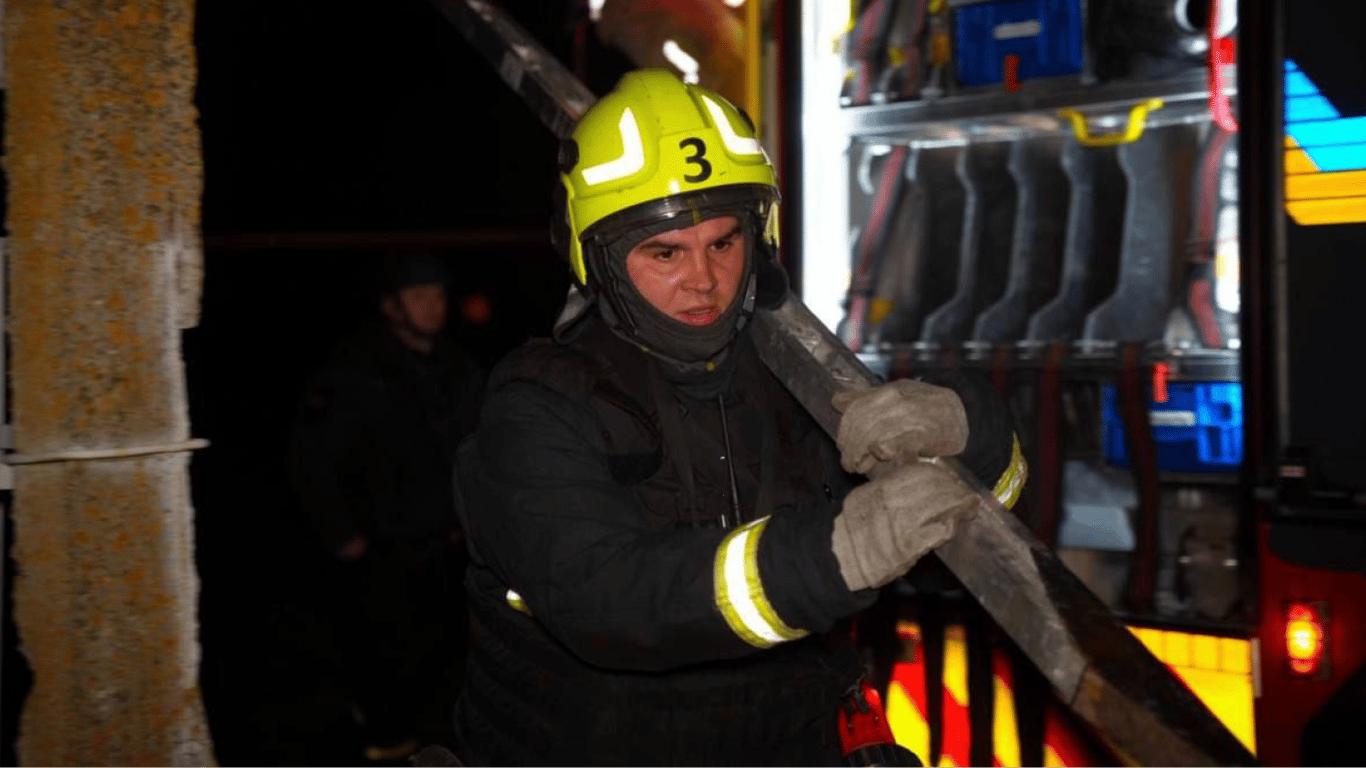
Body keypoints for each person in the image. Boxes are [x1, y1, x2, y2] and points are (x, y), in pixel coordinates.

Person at [452, 70, 1024, 767]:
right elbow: (607, 600)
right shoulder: (536, 408)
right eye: (665, 252)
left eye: (723, 243)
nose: (704, 280)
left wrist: (972, 430)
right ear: (597, 260)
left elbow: (971, 531)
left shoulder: (798, 377)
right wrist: (834, 554)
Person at [291, 252, 485, 762]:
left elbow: (480, 447)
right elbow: (313, 459)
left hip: (449, 546)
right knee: (382, 665)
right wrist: (342, 536)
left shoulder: (458, 368)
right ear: (391, 306)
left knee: (448, 662)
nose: (433, 305)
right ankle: (385, 745)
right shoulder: (354, 370)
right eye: (418, 295)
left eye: (438, 293)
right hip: (382, 552)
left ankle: (441, 746)